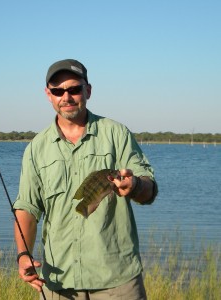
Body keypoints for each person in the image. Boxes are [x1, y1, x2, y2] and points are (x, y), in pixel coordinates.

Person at [13, 59, 158, 300]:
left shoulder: (117, 133)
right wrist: (23, 254)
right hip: (59, 282)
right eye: (58, 91)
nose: (66, 97)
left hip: (117, 281)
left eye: (74, 89)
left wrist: (135, 186)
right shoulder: (35, 149)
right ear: (48, 95)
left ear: (88, 91)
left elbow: (149, 189)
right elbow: (27, 207)